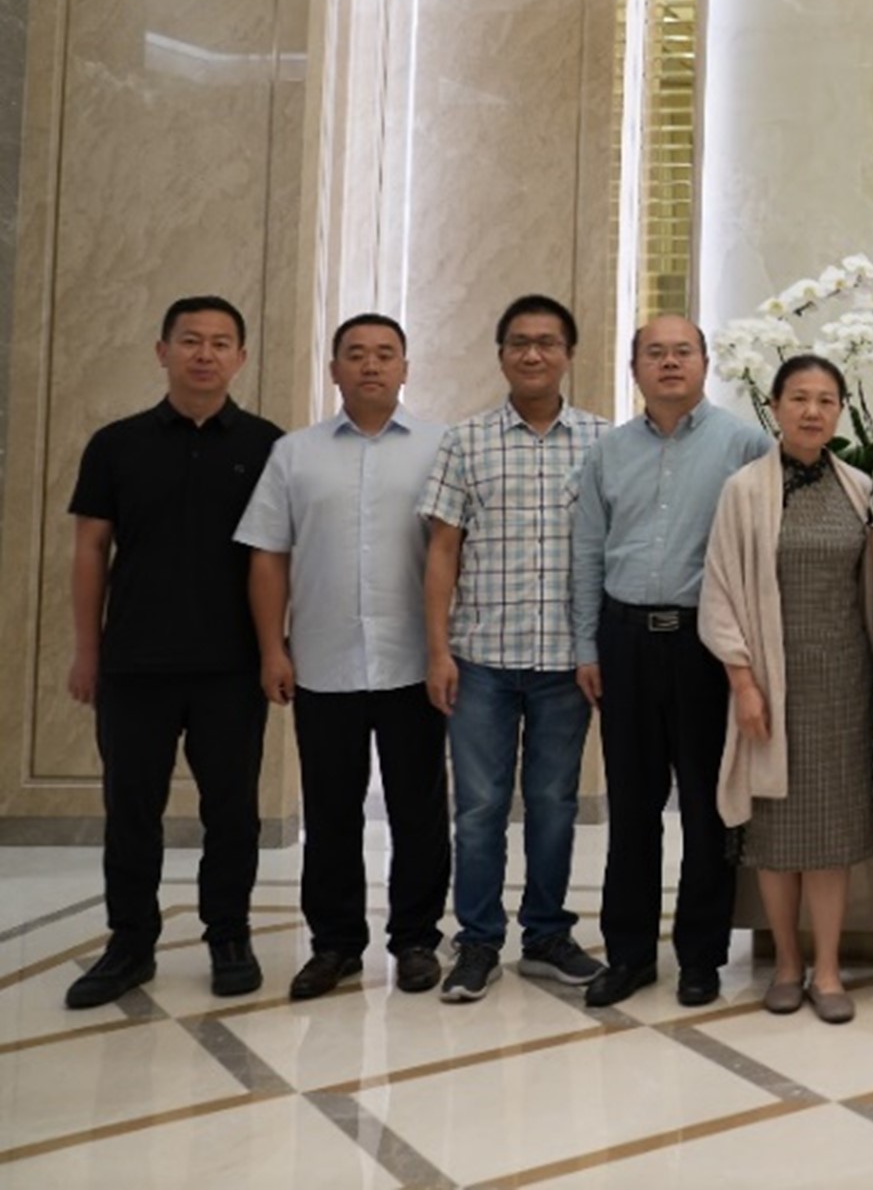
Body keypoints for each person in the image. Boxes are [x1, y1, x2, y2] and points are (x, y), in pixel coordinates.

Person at [63, 296, 284, 1009]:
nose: (205, 354)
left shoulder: (269, 446)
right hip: (134, 663)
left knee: (233, 810)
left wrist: (273, 650)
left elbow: (276, 559)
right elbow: (91, 550)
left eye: (221, 342)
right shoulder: (116, 444)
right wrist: (87, 650)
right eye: (191, 340)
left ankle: (229, 935)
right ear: (162, 351)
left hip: (231, 665)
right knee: (131, 809)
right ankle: (130, 944)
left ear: (240, 358)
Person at [238, 313, 449, 1000]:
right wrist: (272, 647)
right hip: (323, 661)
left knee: (418, 808)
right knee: (330, 812)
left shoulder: (441, 448)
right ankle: (334, 945)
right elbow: (268, 556)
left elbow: (457, 555)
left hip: (414, 662)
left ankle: (416, 940)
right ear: (334, 370)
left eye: (386, 354)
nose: (371, 365)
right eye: (355, 354)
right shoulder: (294, 454)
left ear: (406, 368)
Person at [572, 315, 774, 1009]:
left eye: (682, 351)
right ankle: (629, 953)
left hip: (705, 645)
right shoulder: (607, 452)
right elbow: (588, 553)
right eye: (654, 353)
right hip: (624, 639)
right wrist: (586, 645)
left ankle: (701, 956)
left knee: (708, 808)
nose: (669, 363)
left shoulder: (744, 444)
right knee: (631, 806)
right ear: (634, 368)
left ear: (705, 363)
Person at [419, 294, 608, 1003]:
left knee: (554, 804)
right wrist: (438, 652)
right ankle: (477, 942)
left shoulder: (602, 442)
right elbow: (442, 551)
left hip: (565, 662)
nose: (533, 354)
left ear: (568, 355)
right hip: (481, 660)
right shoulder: (464, 441)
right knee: (478, 809)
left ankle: (547, 934)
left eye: (547, 342)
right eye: (520, 342)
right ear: (501, 355)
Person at [701, 354, 873, 1025]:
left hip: (844, 685)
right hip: (770, 687)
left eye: (826, 400)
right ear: (774, 407)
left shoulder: (860, 487)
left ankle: (828, 968)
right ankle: (785, 963)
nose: (812, 411)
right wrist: (742, 680)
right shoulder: (745, 490)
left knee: (831, 832)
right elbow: (719, 591)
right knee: (775, 835)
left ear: (840, 412)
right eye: (799, 398)